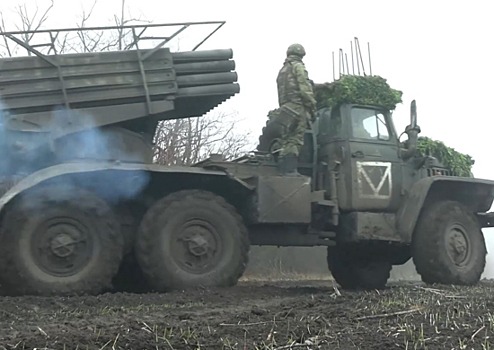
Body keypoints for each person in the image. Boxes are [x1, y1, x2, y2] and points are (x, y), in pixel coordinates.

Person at [275, 43, 316, 175]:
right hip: (298, 107)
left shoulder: (282, 71)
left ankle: (284, 168)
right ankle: (291, 170)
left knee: (287, 139)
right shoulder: (298, 67)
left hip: (285, 108)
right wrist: (312, 106)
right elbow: (305, 89)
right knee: (295, 139)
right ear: (301, 54)